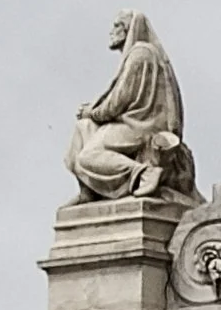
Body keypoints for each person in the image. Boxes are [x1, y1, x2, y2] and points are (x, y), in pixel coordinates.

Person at [66, 11, 196, 202]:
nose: (112, 31)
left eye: (117, 25)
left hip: (141, 126)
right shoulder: (140, 54)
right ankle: (89, 191)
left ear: (128, 29)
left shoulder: (140, 54)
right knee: (82, 128)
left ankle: (143, 172)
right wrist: (92, 111)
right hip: (131, 122)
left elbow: (117, 102)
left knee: (87, 158)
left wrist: (91, 112)